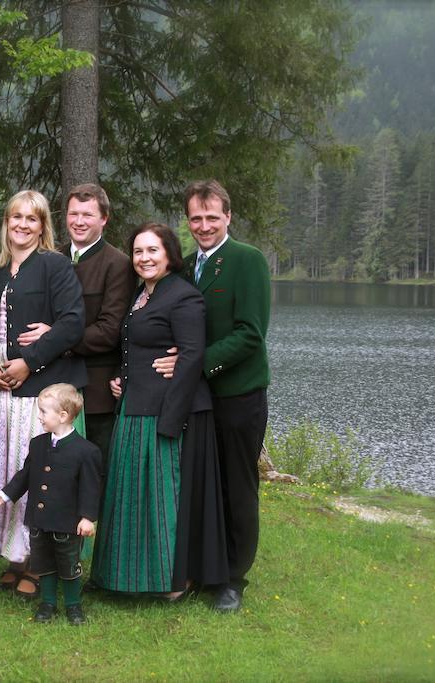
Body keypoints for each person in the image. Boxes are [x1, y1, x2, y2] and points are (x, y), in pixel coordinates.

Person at [91, 222, 225, 598]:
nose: (144, 258)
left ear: (169, 254)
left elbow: (192, 355)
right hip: (134, 409)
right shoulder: (140, 296)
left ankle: (172, 580)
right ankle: (124, 578)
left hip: (168, 415)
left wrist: (171, 421)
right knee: (131, 497)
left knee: (164, 500)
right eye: (137, 251)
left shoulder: (183, 296)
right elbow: (136, 347)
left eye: (152, 250)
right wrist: (121, 376)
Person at [0, 190, 86, 597]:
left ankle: (38, 562)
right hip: (0, 390)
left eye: (32, 219)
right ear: (6, 223)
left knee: (37, 473)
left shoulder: (55, 266)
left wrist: (29, 360)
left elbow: (73, 322)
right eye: (16, 217)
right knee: (8, 469)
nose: (23, 225)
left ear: (43, 226)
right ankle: (14, 557)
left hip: (38, 390)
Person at [181, 180, 271, 613]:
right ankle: (207, 569)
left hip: (238, 395)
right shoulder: (184, 265)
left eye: (212, 217)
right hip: (198, 401)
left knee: (237, 486)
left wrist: (195, 365)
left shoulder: (246, 261)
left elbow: (250, 334)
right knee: (203, 486)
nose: (204, 226)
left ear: (228, 217)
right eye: (196, 218)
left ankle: (234, 579)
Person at [19, 183, 135, 465]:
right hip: (49, 385)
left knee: (95, 472)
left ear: (104, 219)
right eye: (73, 214)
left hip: (95, 393)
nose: (79, 222)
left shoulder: (118, 264)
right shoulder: (49, 258)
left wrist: (57, 339)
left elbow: (110, 330)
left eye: (88, 215)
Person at [0, 383, 100, 626]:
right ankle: (48, 603)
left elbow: (90, 488)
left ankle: (73, 606)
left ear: (63, 415)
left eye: (43, 412)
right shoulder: (38, 444)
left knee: (69, 565)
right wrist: (6, 494)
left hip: (67, 523)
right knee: (44, 564)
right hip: (39, 520)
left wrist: (86, 517)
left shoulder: (86, 451)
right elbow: (26, 475)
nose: (39, 416)